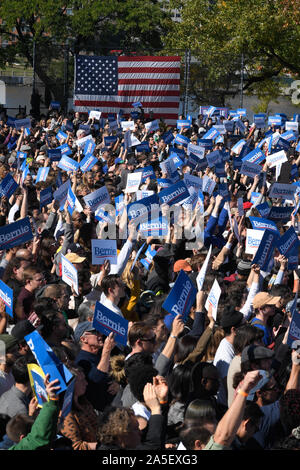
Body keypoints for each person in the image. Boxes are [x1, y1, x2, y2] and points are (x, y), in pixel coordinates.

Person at [74, 322, 118, 412]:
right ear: (83, 339)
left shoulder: (97, 354)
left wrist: (117, 383)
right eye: (95, 332)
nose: (100, 334)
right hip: (101, 413)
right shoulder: (82, 361)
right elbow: (97, 379)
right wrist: (107, 350)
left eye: (100, 331)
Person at [59, 366, 99, 450]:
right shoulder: (66, 414)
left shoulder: (84, 402)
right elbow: (76, 446)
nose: (86, 383)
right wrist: (102, 447)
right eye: (81, 381)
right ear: (70, 385)